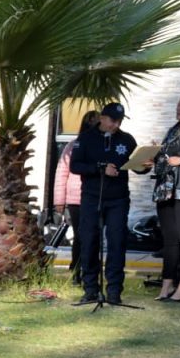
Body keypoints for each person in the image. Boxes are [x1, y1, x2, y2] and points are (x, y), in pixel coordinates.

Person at [70, 102, 138, 304]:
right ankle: (90, 288)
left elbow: (136, 165)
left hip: (118, 199)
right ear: (102, 118)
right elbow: (75, 165)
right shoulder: (85, 138)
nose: (115, 125)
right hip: (92, 198)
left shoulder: (126, 140)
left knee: (117, 243)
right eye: (112, 120)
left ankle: (115, 291)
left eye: (119, 121)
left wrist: (144, 165)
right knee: (89, 240)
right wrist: (100, 168)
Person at [53, 110, 100, 284]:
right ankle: (76, 270)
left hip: (96, 196)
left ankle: (89, 270)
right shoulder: (73, 145)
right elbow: (62, 173)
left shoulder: (101, 145)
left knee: (93, 236)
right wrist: (59, 201)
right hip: (76, 198)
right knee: (81, 236)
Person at [151, 94, 180, 302]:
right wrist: (153, 156)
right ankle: (166, 285)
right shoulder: (172, 131)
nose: (178, 109)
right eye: (178, 106)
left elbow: (176, 160)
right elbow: (163, 158)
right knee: (170, 241)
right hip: (165, 191)